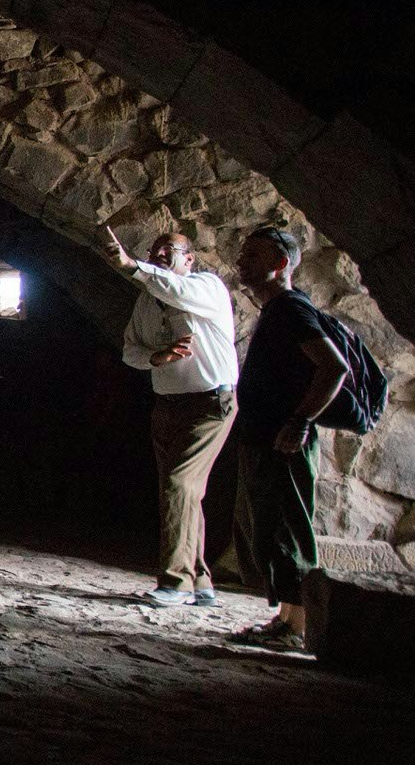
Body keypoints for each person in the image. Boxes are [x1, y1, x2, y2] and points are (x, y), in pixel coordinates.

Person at [228, 226, 349, 650]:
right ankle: (286, 620)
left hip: (283, 440)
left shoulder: (290, 310)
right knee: (271, 529)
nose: (242, 260)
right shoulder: (277, 310)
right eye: (243, 252)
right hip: (266, 437)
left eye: (255, 255)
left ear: (281, 264)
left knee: (286, 529)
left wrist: (299, 421)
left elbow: (333, 368)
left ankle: (298, 628)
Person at [108, 227, 240, 607]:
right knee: (183, 493)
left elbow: (175, 289)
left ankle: (175, 582)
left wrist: (131, 265)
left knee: (179, 486)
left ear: (189, 258)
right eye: (154, 250)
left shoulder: (206, 287)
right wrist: (156, 358)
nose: (160, 255)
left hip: (209, 405)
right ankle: (200, 580)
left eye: (169, 250)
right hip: (167, 406)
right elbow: (130, 348)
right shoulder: (147, 303)